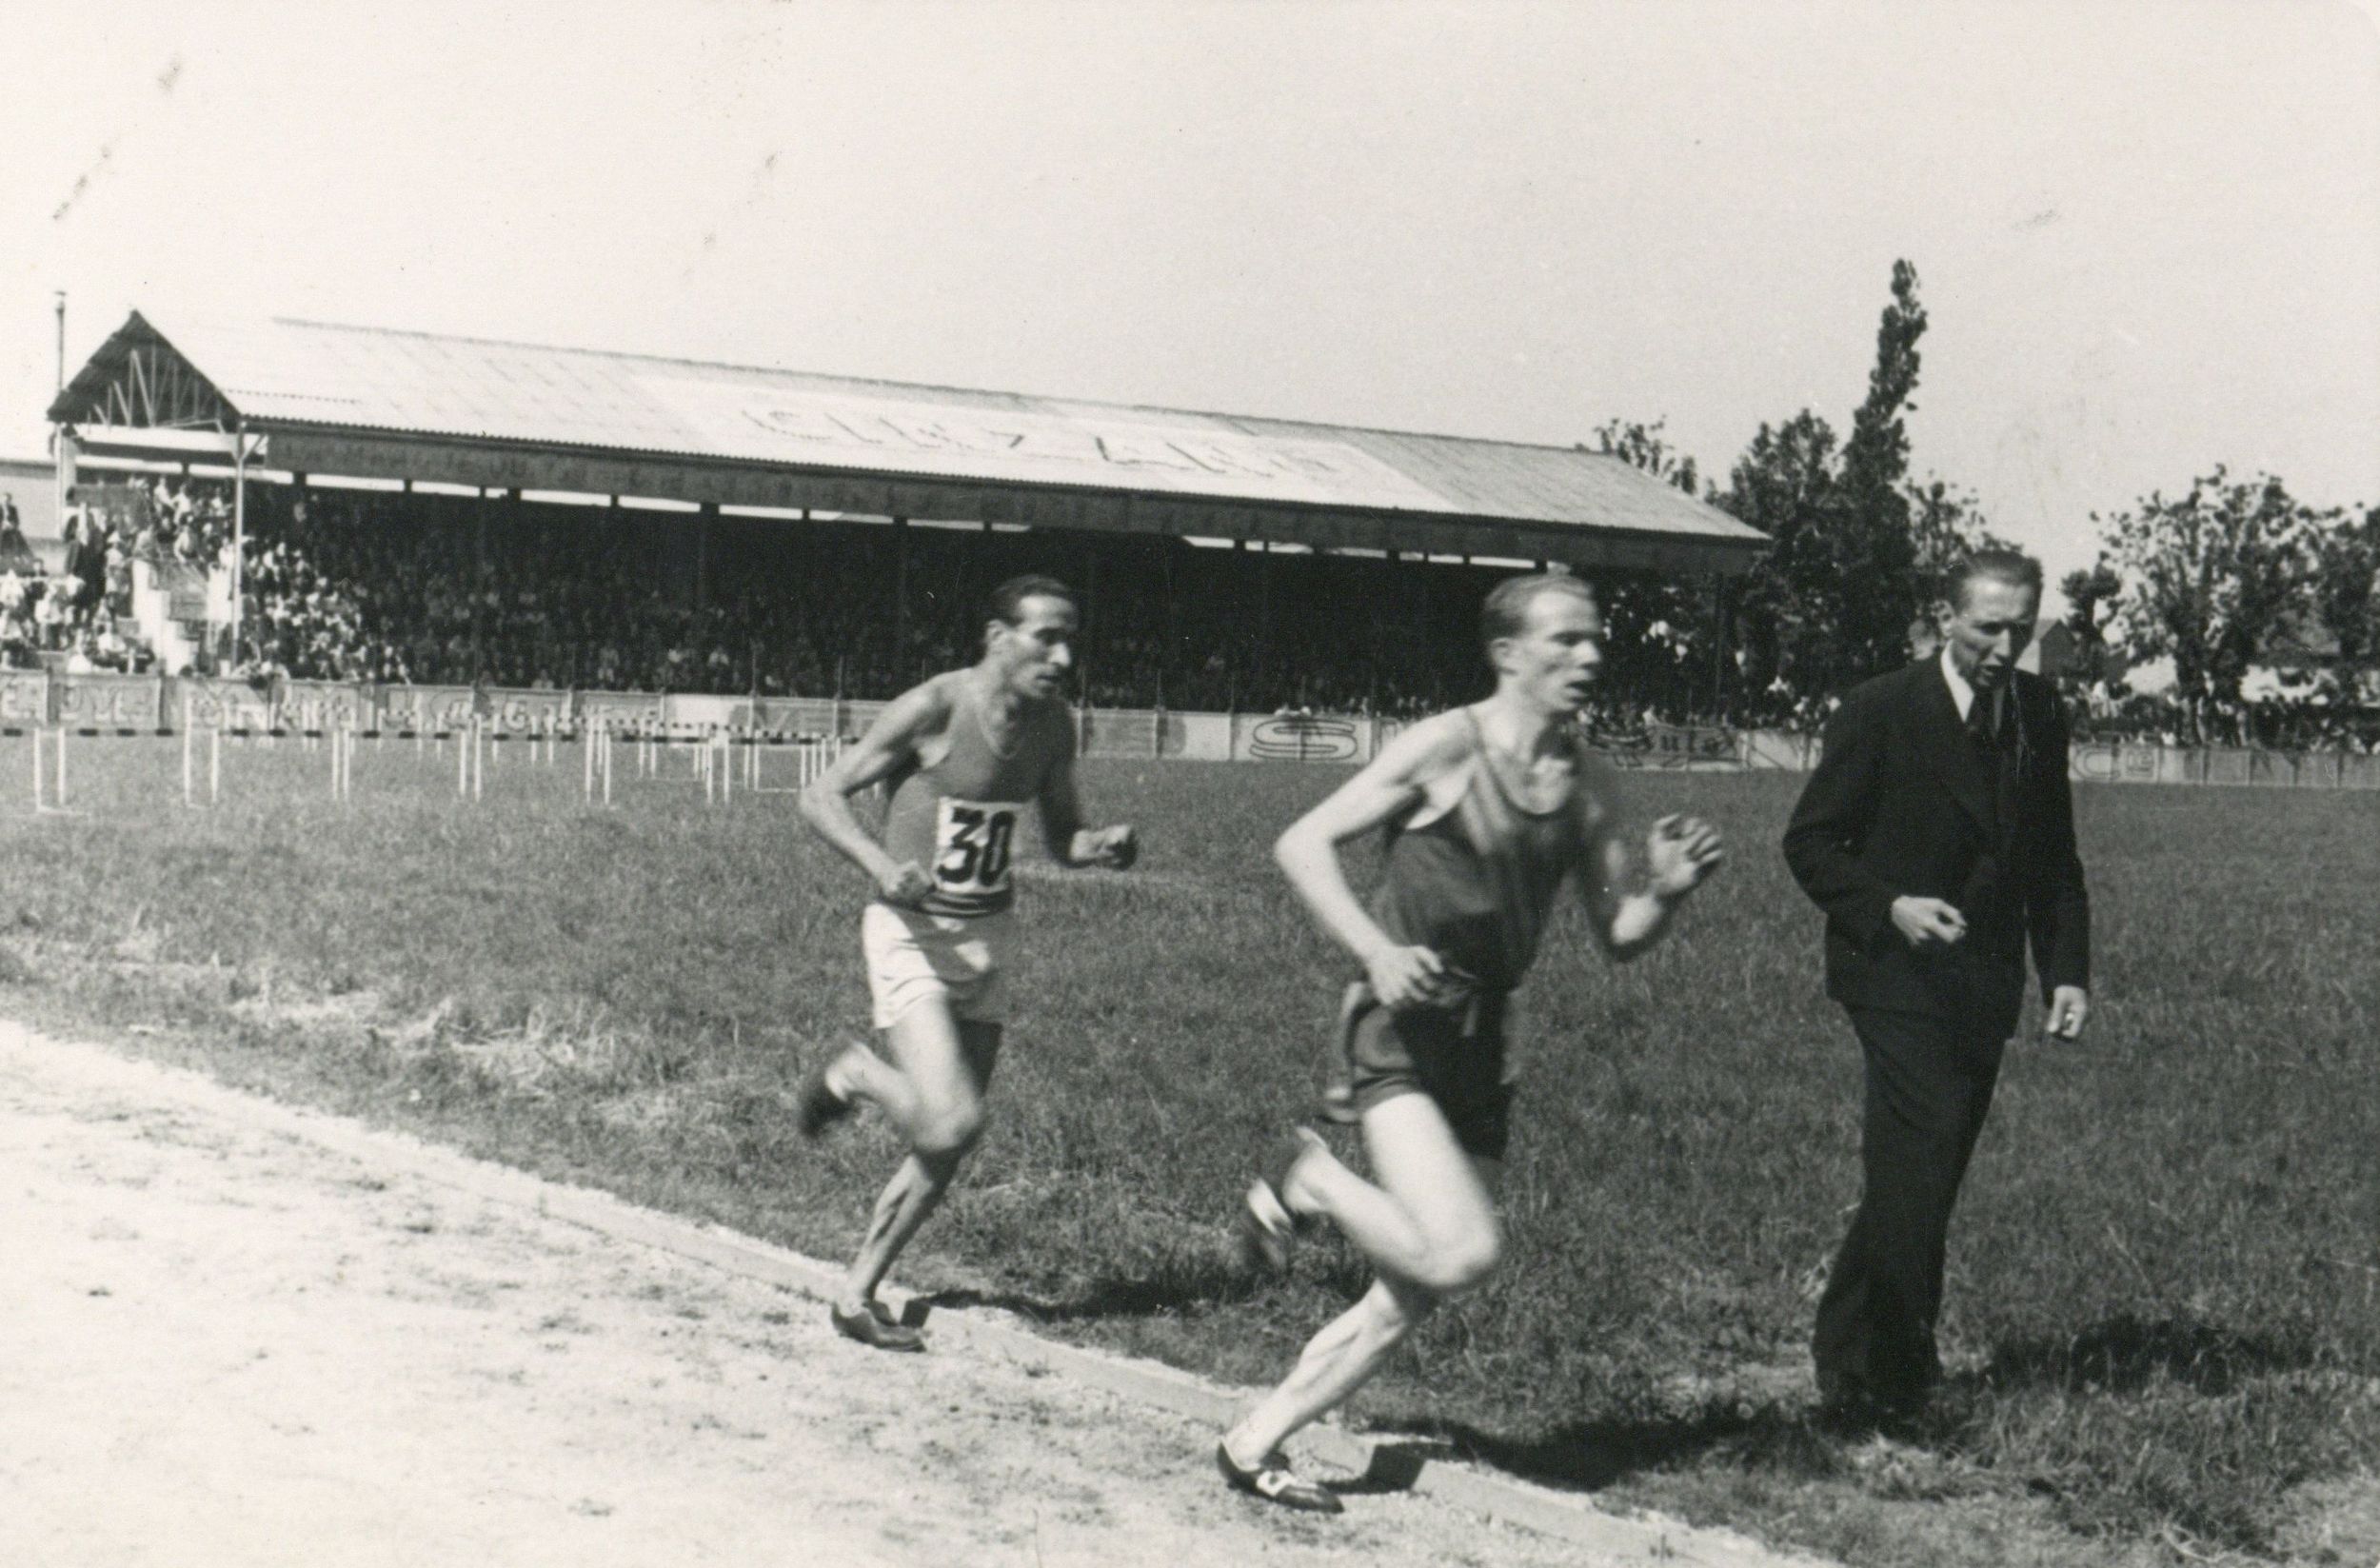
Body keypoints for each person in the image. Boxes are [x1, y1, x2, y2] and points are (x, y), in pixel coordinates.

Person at [1217, 572, 1724, 1514]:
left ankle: (1255, 1441)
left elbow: (1617, 937)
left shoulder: (1587, 783)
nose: (1590, 657)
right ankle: (1312, 1179)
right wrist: (1376, 946)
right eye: (1565, 641)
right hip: (1399, 1026)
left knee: (1413, 1286)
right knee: (1459, 1254)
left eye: (1594, 640)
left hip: (1485, 1039)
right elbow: (1301, 842)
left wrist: (1665, 893)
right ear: (1506, 654)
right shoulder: (1444, 748)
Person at [1781, 548, 2091, 1427]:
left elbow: (2052, 858)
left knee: (1923, 1172)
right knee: (1918, 1170)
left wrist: (2065, 969)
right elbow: (1809, 844)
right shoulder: (1880, 709)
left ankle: (1846, 1350)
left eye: (2019, 628)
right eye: (1988, 625)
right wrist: (1892, 908)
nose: (2003, 645)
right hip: (1892, 975)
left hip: (1983, 982)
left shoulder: (2039, 711)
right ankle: (1894, 1380)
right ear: (1946, 618)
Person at [794, 574, 1138, 1353]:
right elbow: (819, 795)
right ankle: (854, 1072)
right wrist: (881, 865)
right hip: (910, 933)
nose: (1062, 654)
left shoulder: (1054, 727)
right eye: (1046, 636)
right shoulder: (934, 707)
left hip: (990, 939)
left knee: (946, 1144)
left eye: (1071, 639)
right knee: (952, 1118)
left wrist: (1101, 846)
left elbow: (1062, 838)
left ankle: (857, 1292)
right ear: (996, 637)